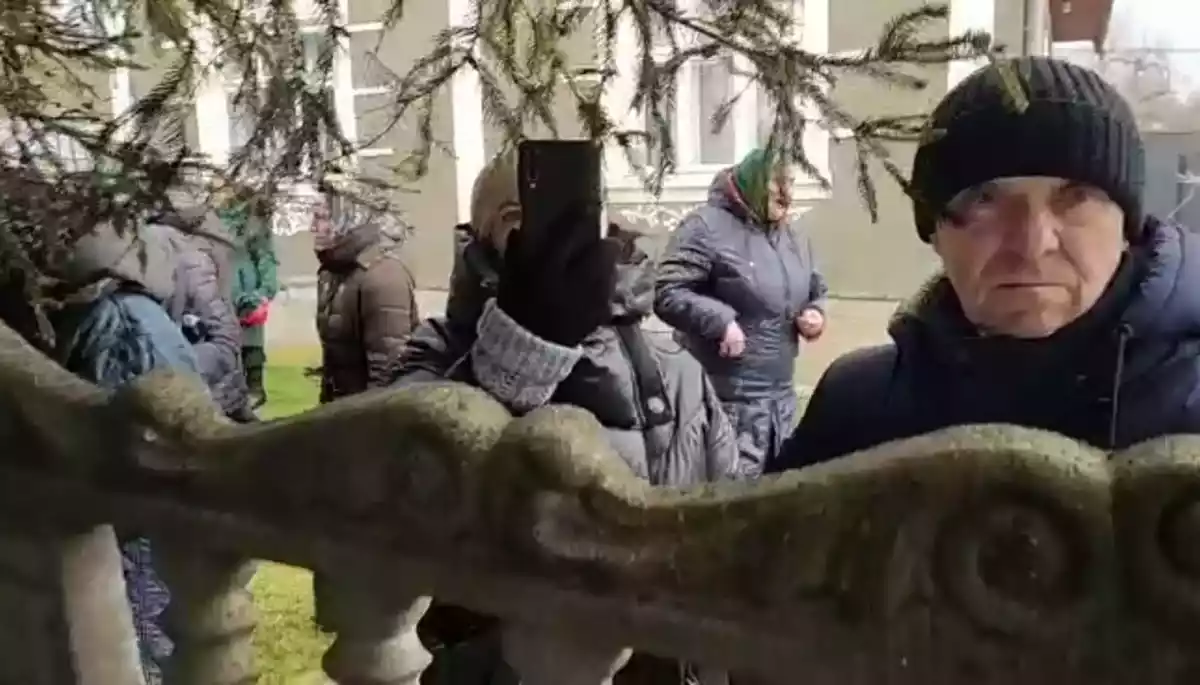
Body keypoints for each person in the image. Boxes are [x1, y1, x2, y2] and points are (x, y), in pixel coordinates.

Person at [394, 150, 740, 684]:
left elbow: (729, 528)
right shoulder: (438, 350)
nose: (550, 236)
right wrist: (520, 350)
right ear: (485, 233)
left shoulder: (674, 369)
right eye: (519, 220)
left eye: (578, 219)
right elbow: (404, 485)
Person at [771, 56, 1200, 472]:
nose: (1033, 244)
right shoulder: (858, 411)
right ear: (935, 233)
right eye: (985, 201)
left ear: (1127, 228)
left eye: (1076, 199)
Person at [654, 147, 828, 476]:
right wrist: (721, 321)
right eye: (777, 183)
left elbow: (816, 287)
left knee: (779, 491)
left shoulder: (792, 237)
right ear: (755, 181)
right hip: (726, 400)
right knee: (731, 496)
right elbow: (668, 291)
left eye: (791, 182)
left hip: (780, 402)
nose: (786, 193)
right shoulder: (705, 227)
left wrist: (816, 314)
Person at [151, 185, 255, 421]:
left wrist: (175, 364)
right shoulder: (191, 252)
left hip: (197, 397)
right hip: (198, 395)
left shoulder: (190, 259)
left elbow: (223, 339)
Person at [313, 195, 419, 402]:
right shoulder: (333, 272)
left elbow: (388, 371)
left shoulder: (383, 275)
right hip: (342, 412)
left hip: (369, 414)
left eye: (322, 218)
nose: (313, 227)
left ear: (349, 220)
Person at [223, 192, 279, 410]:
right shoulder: (206, 218)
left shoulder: (252, 221)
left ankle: (254, 387)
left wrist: (262, 294)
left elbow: (266, 259)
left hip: (244, 303)